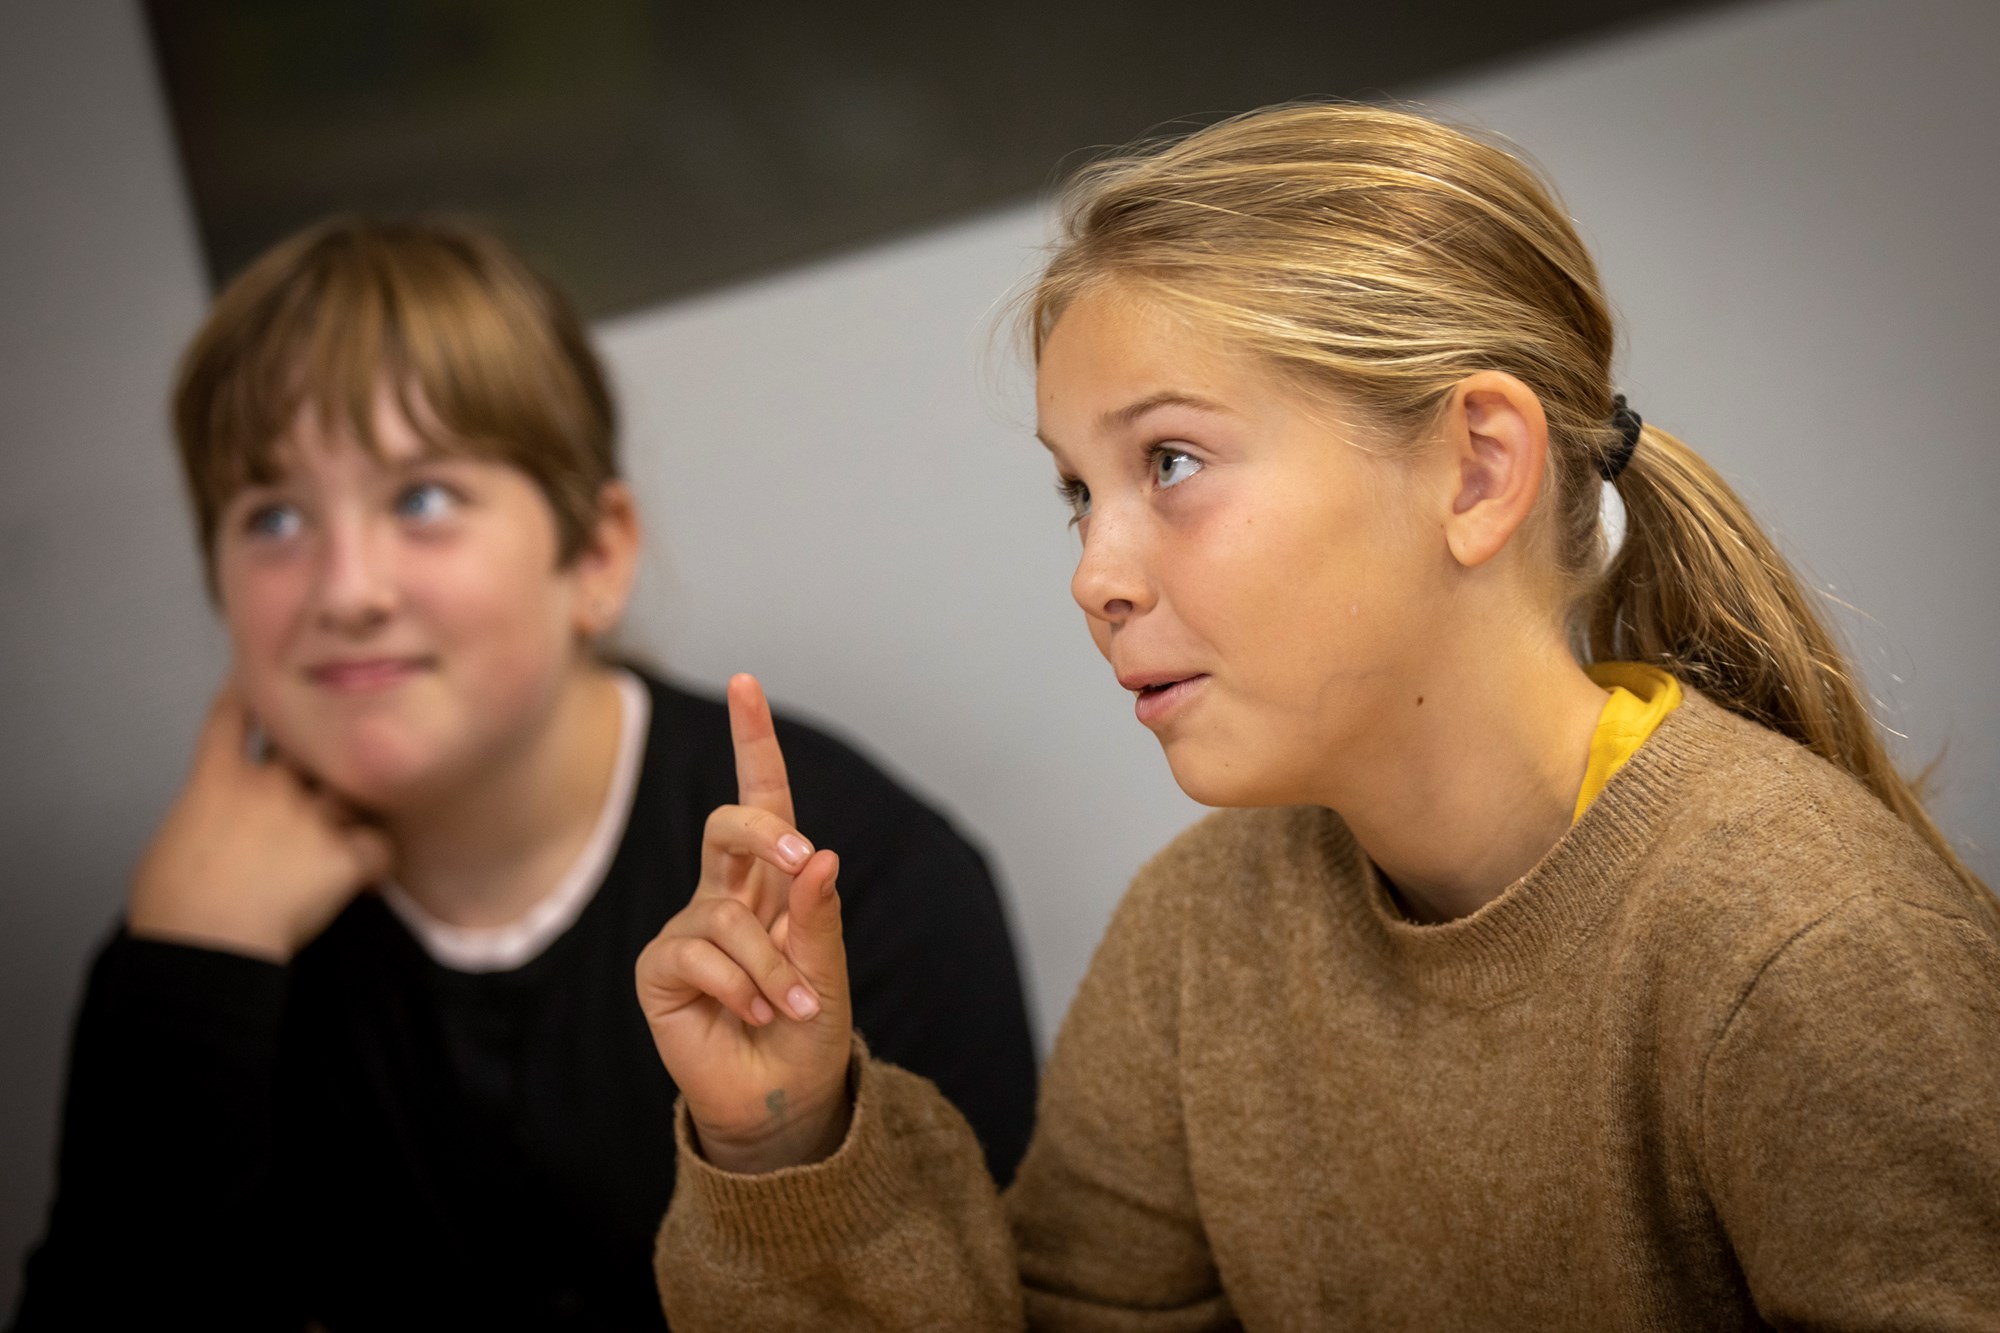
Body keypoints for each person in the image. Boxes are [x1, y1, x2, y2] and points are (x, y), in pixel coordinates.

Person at [637, 103, 2000, 1329]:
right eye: (1079, 494)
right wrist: (782, 1139)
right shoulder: (1195, 936)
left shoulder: (1806, 946)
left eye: (1172, 461)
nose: (1094, 577)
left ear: (1477, 471)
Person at [12, 218, 1038, 1331]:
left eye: (421, 500)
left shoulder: (863, 882)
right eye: (274, 517)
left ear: (594, 553)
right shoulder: (199, 936)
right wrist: (189, 971)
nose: (345, 590)